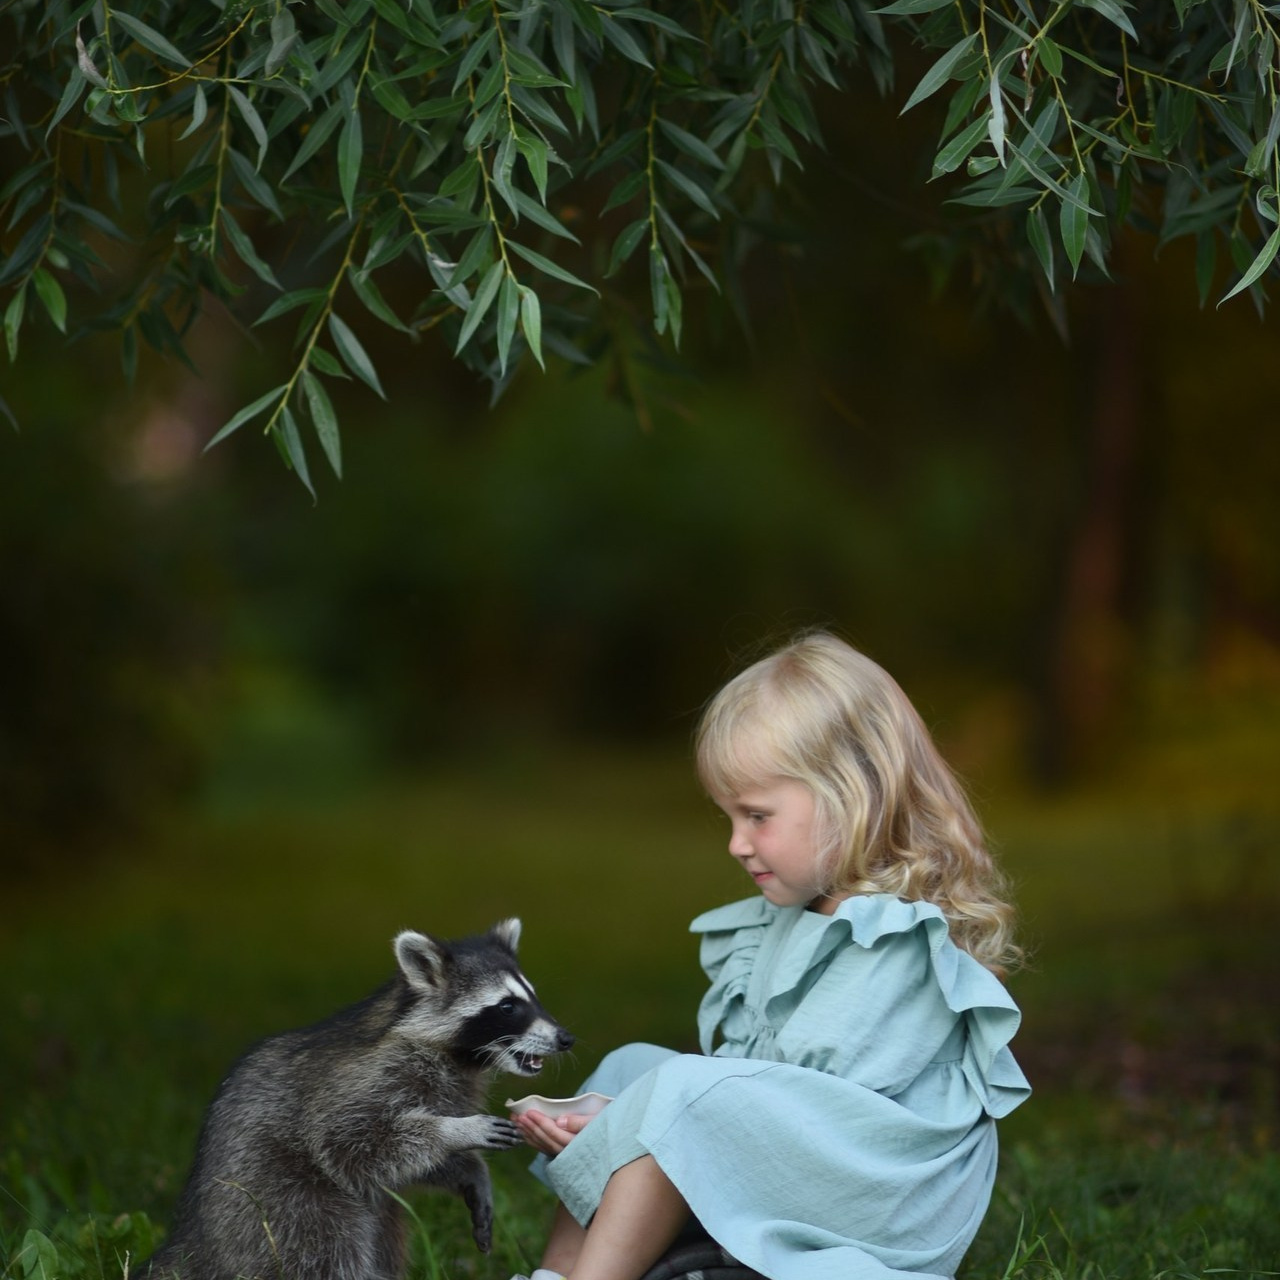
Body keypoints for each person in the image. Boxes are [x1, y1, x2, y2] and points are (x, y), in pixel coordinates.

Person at [511, 632, 1031, 1280]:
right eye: (729, 817)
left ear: (853, 795)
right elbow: (756, 1083)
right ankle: (558, 1274)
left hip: (883, 1195)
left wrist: (642, 1121)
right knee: (631, 1068)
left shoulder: (896, 938)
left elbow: (827, 1107)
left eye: (757, 816)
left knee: (675, 1095)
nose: (736, 843)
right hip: (817, 1157)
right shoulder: (798, 913)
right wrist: (630, 1109)